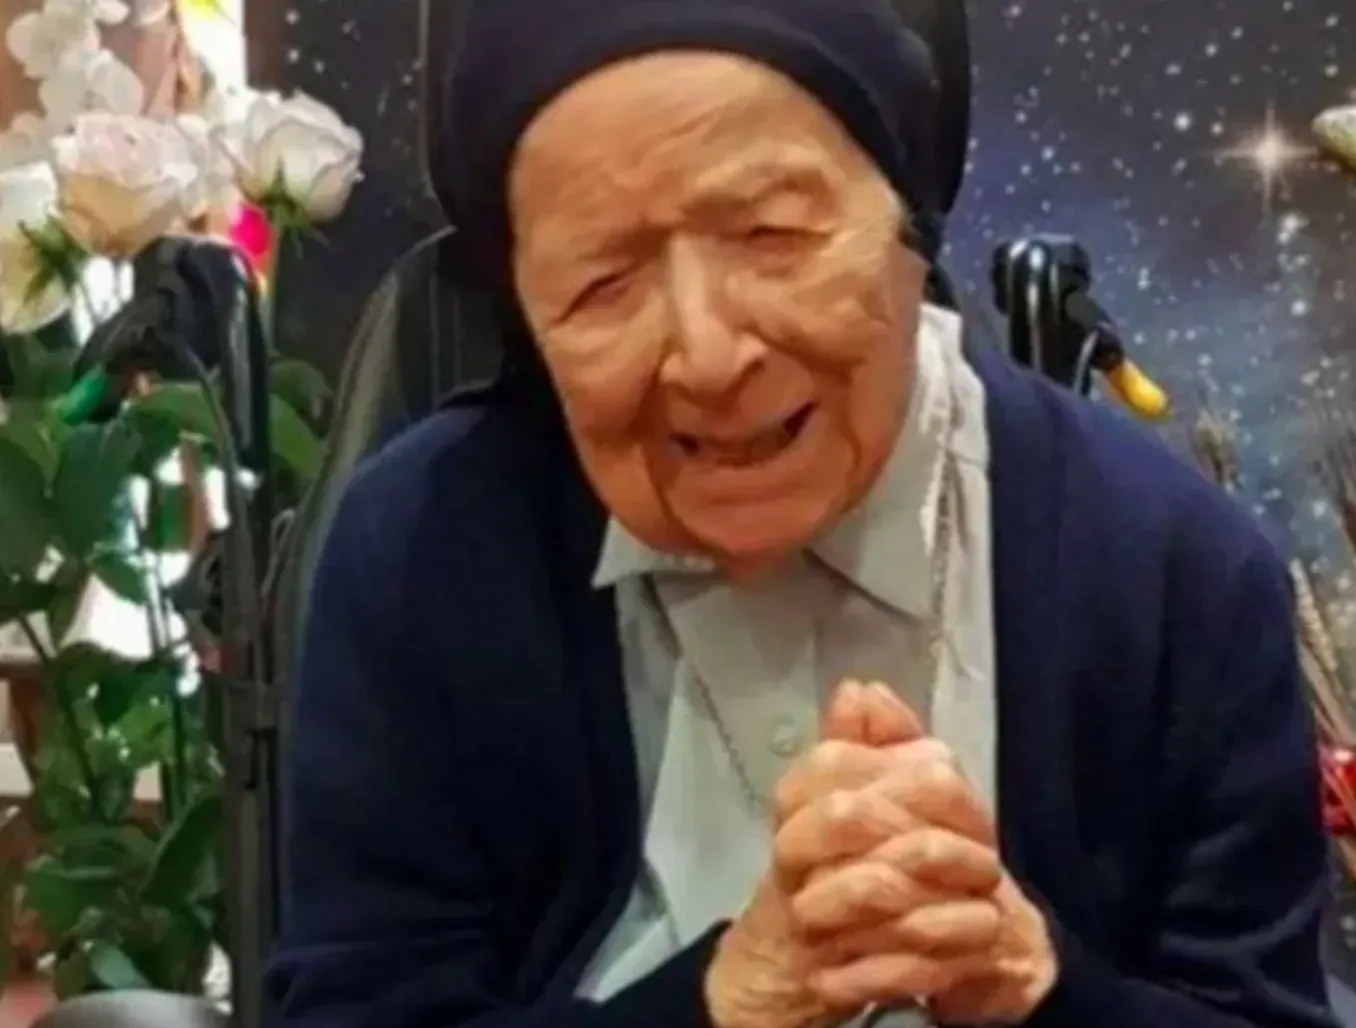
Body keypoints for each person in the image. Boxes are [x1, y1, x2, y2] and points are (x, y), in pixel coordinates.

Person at [266, 0, 1338, 1026]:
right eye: (602, 283)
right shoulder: (423, 553)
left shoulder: (1174, 568)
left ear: (909, 225)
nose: (707, 354)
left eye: (770, 234)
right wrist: (731, 1002)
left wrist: (1031, 982)